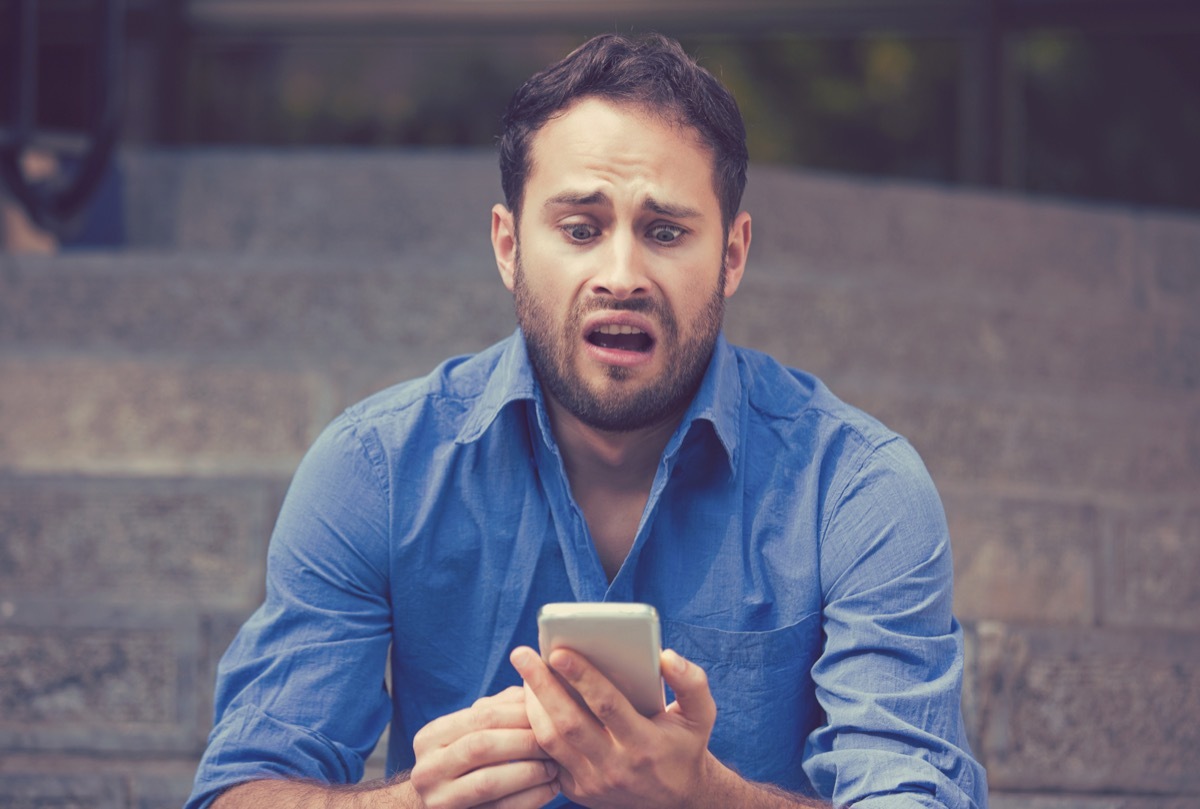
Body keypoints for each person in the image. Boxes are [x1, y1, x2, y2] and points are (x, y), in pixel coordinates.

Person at [187, 33, 987, 809]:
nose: (621, 275)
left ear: (733, 255)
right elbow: (243, 785)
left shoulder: (859, 487)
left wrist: (704, 796)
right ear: (508, 245)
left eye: (665, 231)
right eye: (580, 228)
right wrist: (411, 804)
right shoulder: (375, 468)